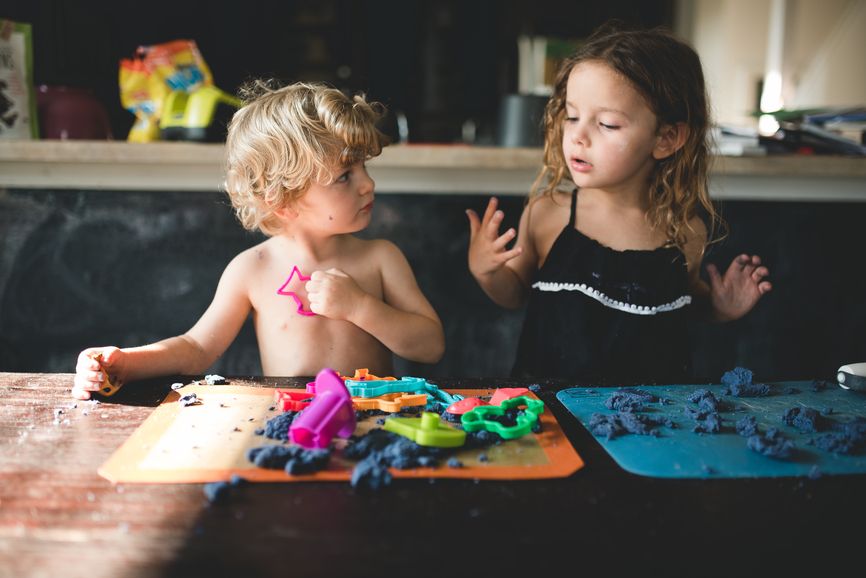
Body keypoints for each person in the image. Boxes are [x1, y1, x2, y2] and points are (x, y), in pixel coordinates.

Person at [73, 81, 445, 399]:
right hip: (293, 425)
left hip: (377, 421)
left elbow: (431, 346)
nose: (368, 184)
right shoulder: (252, 270)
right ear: (282, 200)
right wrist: (126, 362)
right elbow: (197, 348)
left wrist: (360, 307)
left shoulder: (380, 258)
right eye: (345, 175)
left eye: (365, 166)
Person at [466, 24, 771, 383]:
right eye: (572, 116)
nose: (578, 136)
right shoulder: (548, 214)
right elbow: (514, 294)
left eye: (608, 124)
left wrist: (718, 308)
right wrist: (486, 270)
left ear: (666, 138)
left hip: (650, 423)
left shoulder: (685, 231)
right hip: (554, 417)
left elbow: (683, 301)